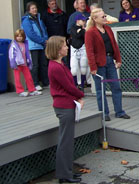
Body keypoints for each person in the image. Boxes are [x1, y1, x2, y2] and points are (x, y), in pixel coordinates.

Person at [46, 36, 84, 183]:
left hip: (67, 104)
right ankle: (64, 175)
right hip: (63, 106)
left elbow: (69, 85)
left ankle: (67, 171)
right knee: (65, 142)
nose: (67, 47)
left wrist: (77, 97)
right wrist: (80, 96)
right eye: (64, 46)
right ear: (57, 49)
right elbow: (68, 87)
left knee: (68, 141)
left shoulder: (60, 64)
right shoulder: (55, 67)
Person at [85, 8, 130, 121]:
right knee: (101, 90)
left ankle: (119, 111)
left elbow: (114, 45)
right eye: (103, 17)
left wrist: (118, 59)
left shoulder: (108, 29)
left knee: (116, 87)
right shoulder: (90, 32)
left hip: (110, 60)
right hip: (99, 63)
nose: (105, 18)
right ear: (95, 19)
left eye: (105, 16)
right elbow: (89, 51)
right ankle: (104, 113)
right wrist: (93, 67)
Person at [21, 1, 49, 91]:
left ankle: (45, 82)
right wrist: (42, 41)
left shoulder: (39, 18)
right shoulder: (26, 20)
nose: (35, 10)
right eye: (32, 8)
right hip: (33, 46)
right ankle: (35, 83)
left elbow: (44, 30)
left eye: (35, 8)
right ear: (28, 10)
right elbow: (30, 34)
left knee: (44, 64)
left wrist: (45, 39)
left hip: (41, 45)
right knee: (35, 65)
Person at [8, 29, 42, 96]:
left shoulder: (25, 44)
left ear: (23, 37)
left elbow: (27, 54)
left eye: (21, 36)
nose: (19, 37)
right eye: (18, 36)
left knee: (29, 77)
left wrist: (29, 62)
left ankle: (32, 90)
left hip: (25, 64)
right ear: (15, 37)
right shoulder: (14, 45)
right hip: (17, 64)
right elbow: (11, 55)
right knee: (17, 78)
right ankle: (20, 91)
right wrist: (13, 64)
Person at [70, 14, 89, 91]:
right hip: (74, 49)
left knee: (83, 67)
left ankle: (81, 85)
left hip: (82, 48)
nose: (84, 22)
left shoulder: (83, 29)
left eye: (85, 20)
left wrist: (81, 31)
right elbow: (76, 35)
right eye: (83, 20)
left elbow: (84, 35)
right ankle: (75, 85)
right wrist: (81, 31)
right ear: (78, 21)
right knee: (74, 69)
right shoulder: (73, 27)